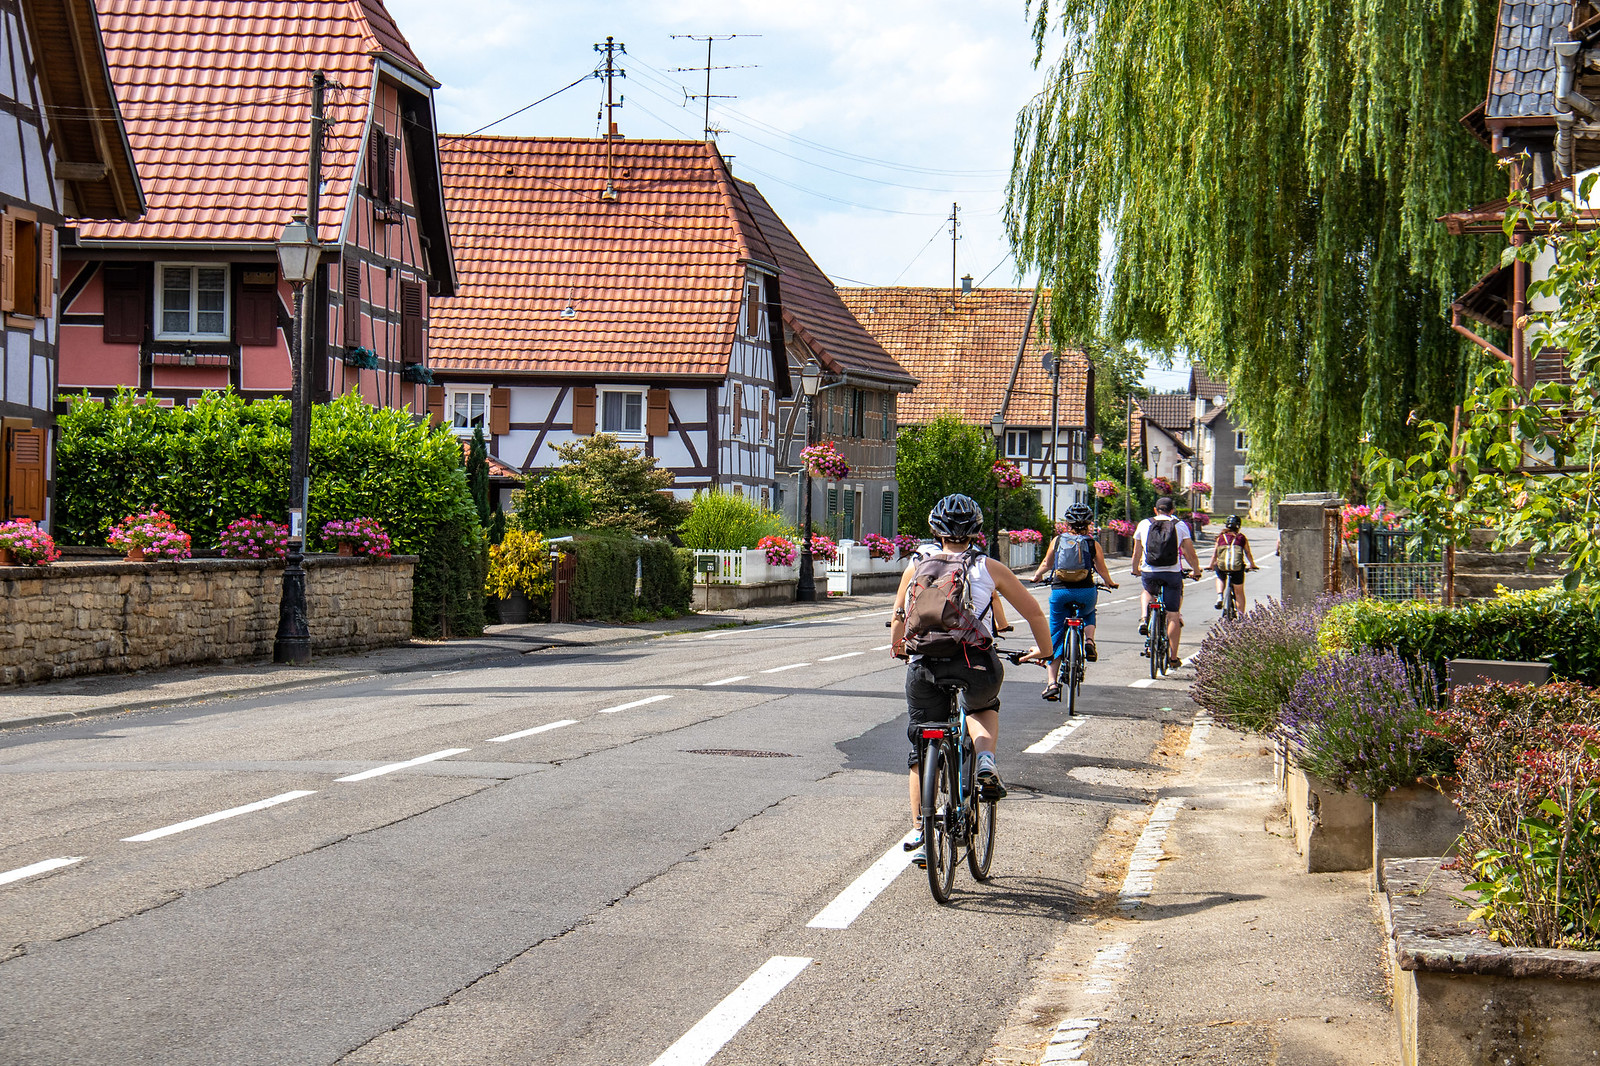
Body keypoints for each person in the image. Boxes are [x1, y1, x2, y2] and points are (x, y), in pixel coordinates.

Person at [889, 494, 1052, 865]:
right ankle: (985, 762)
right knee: (981, 707)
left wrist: (898, 647)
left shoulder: (916, 566)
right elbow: (1033, 613)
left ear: (935, 530)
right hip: (973, 661)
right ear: (977, 530)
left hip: (925, 664)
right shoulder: (989, 568)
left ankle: (921, 828)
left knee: (920, 743)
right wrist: (1044, 651)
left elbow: (899, 614)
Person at [1032, 503, 1118, 700]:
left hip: (1060, 592)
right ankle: (1089, 641)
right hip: (1085, 592)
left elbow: (1047, 564)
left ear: (1067, 524)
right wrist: (1110, 583)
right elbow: (1102, 568)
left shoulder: (1057, 540)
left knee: (1055, 634)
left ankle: (1052, 683)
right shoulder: (1092, 543)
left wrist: (1036, 577)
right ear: (1088, 525)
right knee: (1088, 613)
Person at [1130, 497, 1203, 667]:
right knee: (1173, 615)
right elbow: (1188, 552)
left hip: (1150, 571)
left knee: (1148, 591)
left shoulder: (1144, 524)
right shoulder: (1180, 525)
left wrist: (1135, 569)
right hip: (1172, 573)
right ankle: (1173, 658)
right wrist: (1196, 570)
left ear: (1156, 510)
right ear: (1172, 510)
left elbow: (1137, 551)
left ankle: (1144, 618)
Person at [1208, 514, 1258, 615]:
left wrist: (1211, 565)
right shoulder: (1241, 538)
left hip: (1222, 566)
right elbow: (1248, 553)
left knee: (1220, 577)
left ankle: (1220, 596)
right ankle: (1241, 616)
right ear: (1238, 526)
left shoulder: (1221, 537)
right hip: (1237, 567)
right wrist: (1252, 564)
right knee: (1239, 592)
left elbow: (1215, 553)